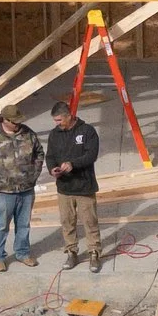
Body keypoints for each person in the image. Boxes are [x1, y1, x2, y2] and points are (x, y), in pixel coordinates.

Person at [0, 107, 46, 271]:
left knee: (24, 224)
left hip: (26, 189)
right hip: (3, 191)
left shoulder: (28, 134)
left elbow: (39, 153)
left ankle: (22, 253)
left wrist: (33, 174)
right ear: (5, 120)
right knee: (1, 225)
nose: (18, 124)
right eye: (14, 122)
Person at [45, 93, 104, 274]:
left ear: (69, 116)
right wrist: (52, 168)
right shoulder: (54, 135)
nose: (57, 123)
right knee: (67, 222)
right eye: (55, 120)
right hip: (64, 188)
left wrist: (73, 164)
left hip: (84, 186)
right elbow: (50, 156)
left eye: (59, 120)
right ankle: (71, 251)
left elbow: (91, 155)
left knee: (90, 221)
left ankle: (94, 252)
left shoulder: (87, 131)